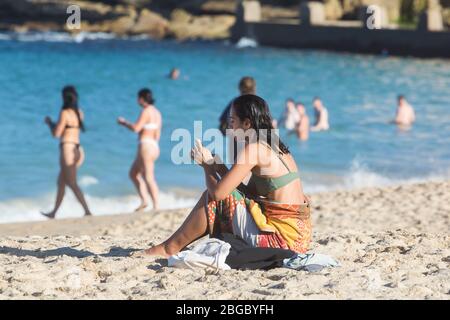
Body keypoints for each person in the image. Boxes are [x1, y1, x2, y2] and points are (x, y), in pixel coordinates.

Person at [135, 94, 311, 258]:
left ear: (247, 123)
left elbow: (219, 194)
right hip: (299, 238)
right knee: (223, 196)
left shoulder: (255, 149)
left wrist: (206, 167)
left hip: (282, 242)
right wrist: (218, 167)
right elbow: (247, 194)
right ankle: (171, 246)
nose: (229, 126)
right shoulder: (276, 147)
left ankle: (170, 248)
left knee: (210, 197)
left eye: (233, 120)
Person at [41, 86, 92, 219]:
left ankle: (87, 211)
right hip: (78, 149)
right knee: (61, 182)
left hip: (68, 149)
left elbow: (56, 133)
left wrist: (50, 123)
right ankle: (54, 212)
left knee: (71, 183)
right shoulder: (79, 112)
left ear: (64, 97)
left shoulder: (64, 112)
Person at [117, 88, 162, 211]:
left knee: (148, 176)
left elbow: (136, 128)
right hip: (154, 146)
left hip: (145, 145)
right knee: (133, 173)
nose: (137, 100)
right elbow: (157, 135)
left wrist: (124, 122)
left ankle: (156, 206)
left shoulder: (146, 111)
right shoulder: (157, 113)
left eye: (138, 98)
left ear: (142, 99)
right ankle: (144, 201)